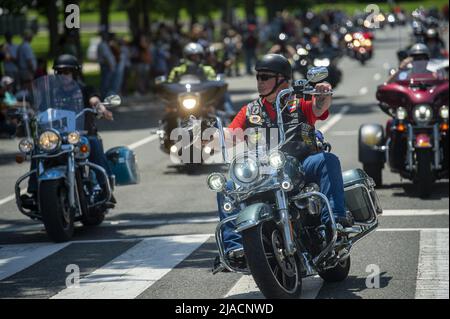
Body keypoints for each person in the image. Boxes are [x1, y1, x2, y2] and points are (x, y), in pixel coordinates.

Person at [214, 54, 352, 269]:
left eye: (265, 77)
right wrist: (203, 133)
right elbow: (230, 136)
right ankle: (234, 248)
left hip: (302, 163)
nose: (260, 81)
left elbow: (319, 108)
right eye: (258, 77)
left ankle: (336, 223)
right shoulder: (249, 111)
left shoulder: (300, 103)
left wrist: (323, 92)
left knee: (327, 160)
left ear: (282, 80)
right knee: (228, 186)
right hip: (263, 171)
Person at [20, 54, 116, 211]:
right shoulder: (52, 94)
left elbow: (94, 100)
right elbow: (40, 110)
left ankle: (105, 189)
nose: (64, 76)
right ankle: (35, 192)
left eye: (68, 72)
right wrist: (28, 113)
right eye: (60, 72)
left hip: (80, 134)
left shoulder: (85, 89)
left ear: (75, 73)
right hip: (57, 136)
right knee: (38, 148)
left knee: (93, 143)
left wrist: (101, 108)